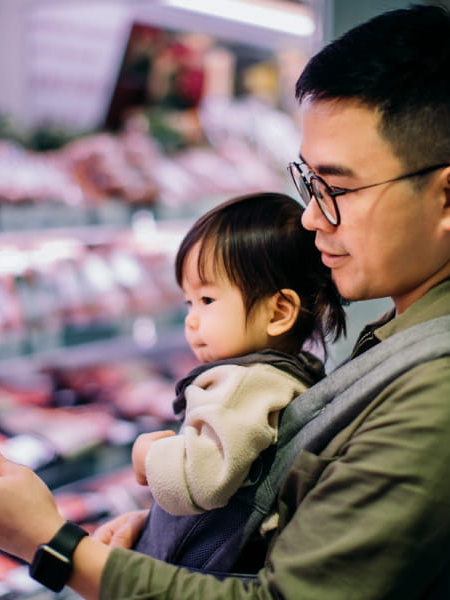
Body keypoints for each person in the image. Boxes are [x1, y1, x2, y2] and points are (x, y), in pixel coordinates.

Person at [0, 4, 450, 599]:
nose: (313, 219)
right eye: (306, 182)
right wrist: (167, 540)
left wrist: (56, 545)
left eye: (336, 190)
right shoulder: (421, 324)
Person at [129, 192, 345, 568]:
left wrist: (148, 456)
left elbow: (200, 480)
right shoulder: (281, 374)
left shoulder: (245, 384)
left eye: (207, 300)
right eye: (188, 302)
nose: (191, 319)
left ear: (279, 312)